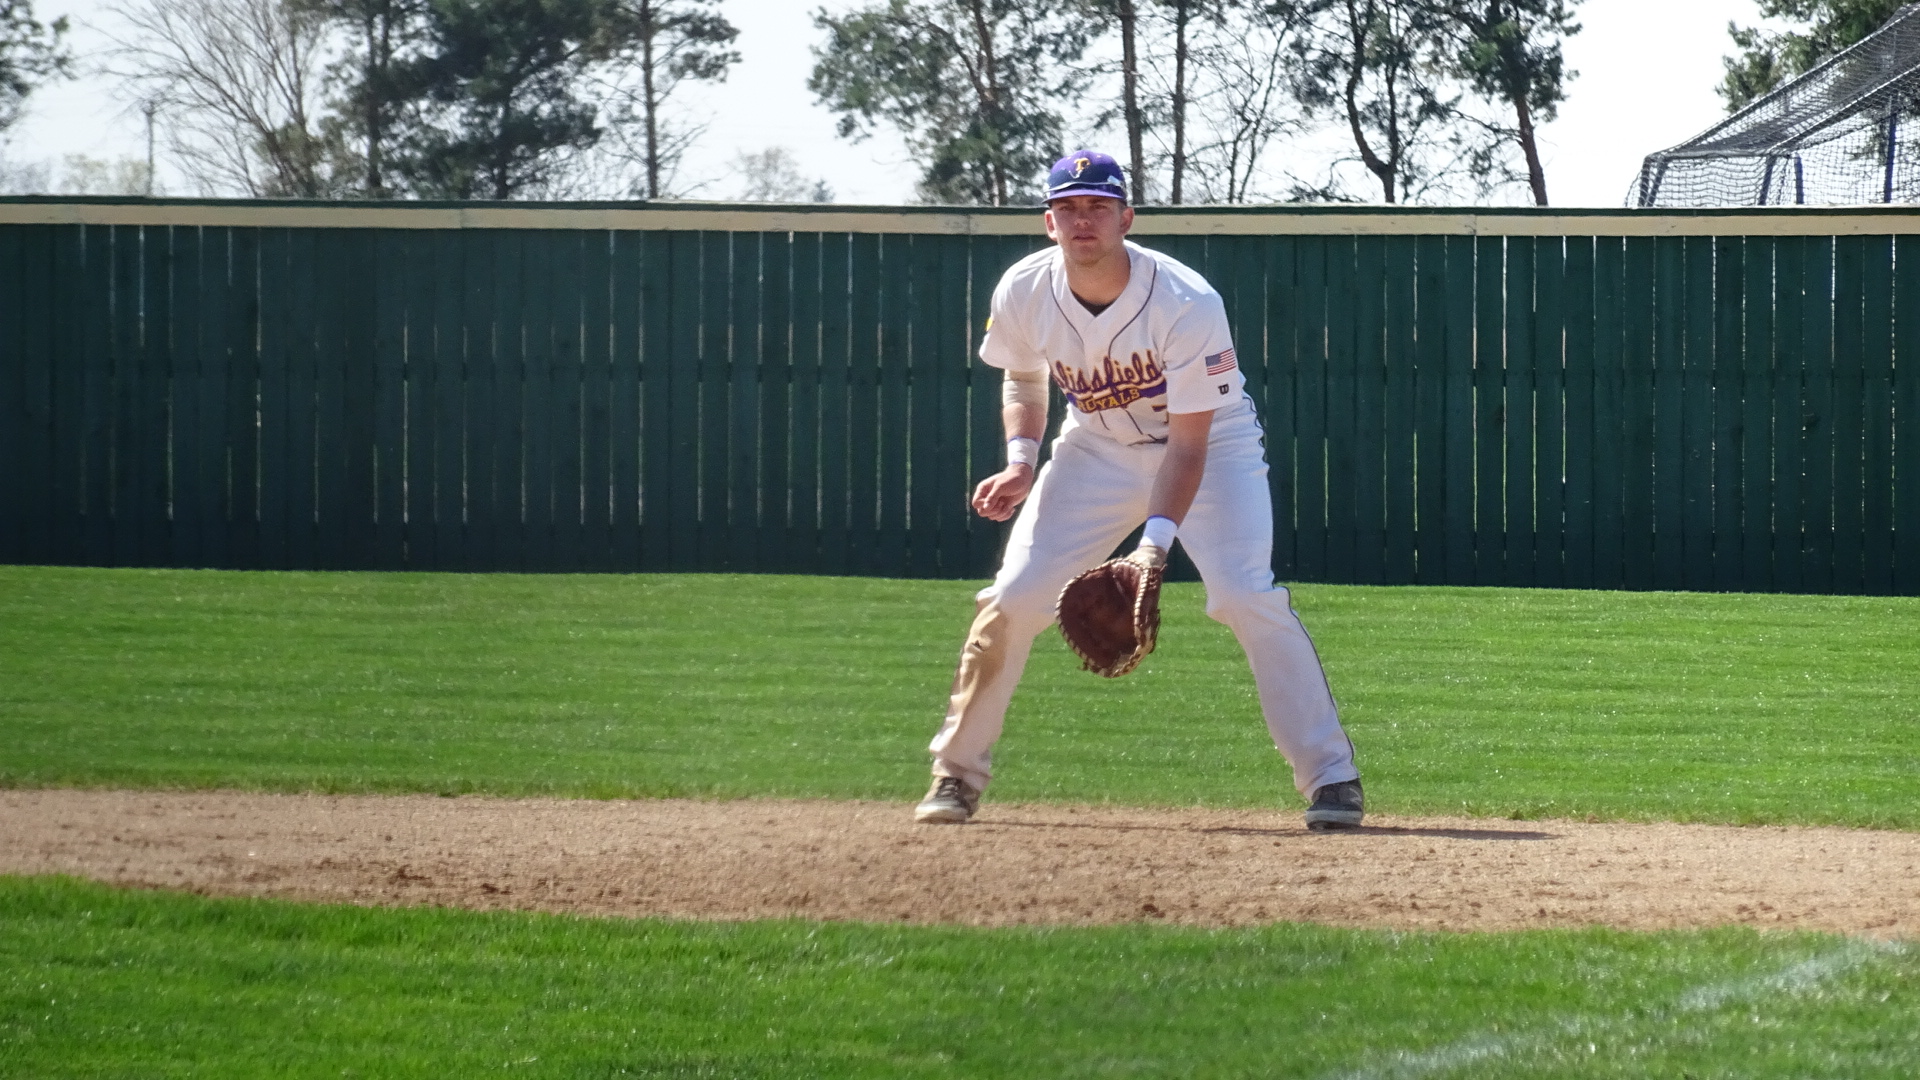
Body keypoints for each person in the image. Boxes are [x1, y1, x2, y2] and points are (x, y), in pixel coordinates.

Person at [913, 150, 1365, 831]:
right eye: (1068, 208)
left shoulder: (1185, 301)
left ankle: (1333, 778)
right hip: (1093, 446)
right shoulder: (1024, 289)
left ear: (1127, 217)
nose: (1082, 220)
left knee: (1245, 595)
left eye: (1098, 206)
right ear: (1048, 222)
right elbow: (1024, 377)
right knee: (1012, 598)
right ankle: (955, 772)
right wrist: (1020, 459)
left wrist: (1154, 547)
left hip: (1212, 449)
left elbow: (1187, 445)